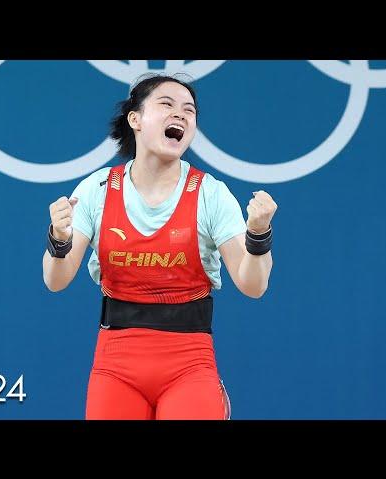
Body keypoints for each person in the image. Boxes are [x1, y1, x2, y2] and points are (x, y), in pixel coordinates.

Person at [42, 73, 277, 420]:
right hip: (115, 365)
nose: (180, 115)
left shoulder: (211, 194)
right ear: (135, 119)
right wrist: (59, 240)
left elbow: (253, 286)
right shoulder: (97, 190)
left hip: (190, 364)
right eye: (166, 104)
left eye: (189, 110)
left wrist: (258, 235)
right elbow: (55, 280)